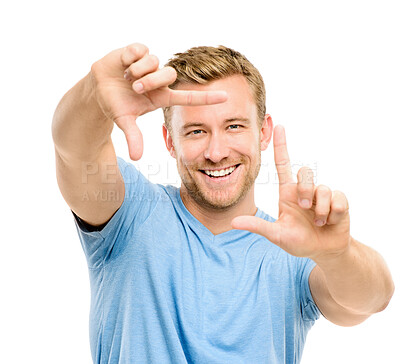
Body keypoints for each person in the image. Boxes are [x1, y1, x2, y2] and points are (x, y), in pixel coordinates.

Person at [52, 43, 395, 364]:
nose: (216, 153)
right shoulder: (129, 214)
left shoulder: (293, 250)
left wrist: (336, 254)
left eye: (233, 126)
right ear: (170, 141)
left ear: (263, 133)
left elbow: (373, 299)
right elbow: (74, 151)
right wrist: (94, 97)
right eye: (196, 131)